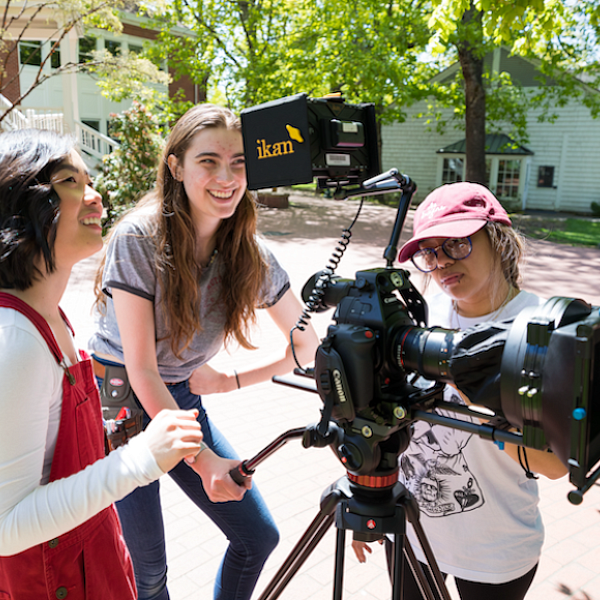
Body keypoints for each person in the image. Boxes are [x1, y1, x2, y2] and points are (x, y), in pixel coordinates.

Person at [88, 103, 319, 600]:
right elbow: (141, 369)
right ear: (176, 167)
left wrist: (228, 380)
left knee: (257, 537)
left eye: (238, 163)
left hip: (178, 391)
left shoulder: (250, 254)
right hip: (119, 397)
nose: (227, 177)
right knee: (147, 571)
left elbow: (307, 345)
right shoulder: (139, 238)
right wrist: (203, 460)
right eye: (209, 161)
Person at [0, 129, 204, 600]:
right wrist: (140, 459)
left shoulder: (52, 318)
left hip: (89, 564)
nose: (96, 198)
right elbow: (8, 525)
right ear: (22, 202)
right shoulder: (17, 340)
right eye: (72, 181)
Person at [352, 182, 567, 599]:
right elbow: (380, 416)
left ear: (497, 238)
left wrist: (477, 385)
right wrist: (367, 499)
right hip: (412, 534)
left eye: (455, 244)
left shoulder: (543, 328)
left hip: (496, 551)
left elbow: (554, 466)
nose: (442, 261)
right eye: (429, 253)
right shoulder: (416, 322)